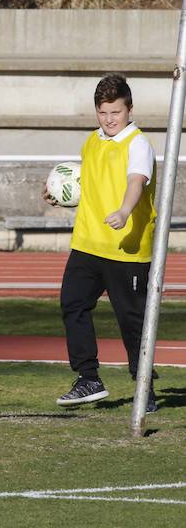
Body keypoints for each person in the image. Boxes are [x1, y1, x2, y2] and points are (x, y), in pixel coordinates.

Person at [44, 73, 157, 412]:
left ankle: (144, 386)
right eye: (103, 112)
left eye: (116, 113)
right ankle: (88, 378)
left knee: (132, 322)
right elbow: (90, 188)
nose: (109, 120)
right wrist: (60, 196)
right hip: (87, 244)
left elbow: (135, 182)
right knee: (72, 304)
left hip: (127, 250)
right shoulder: (91, 142)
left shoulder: (138, 143)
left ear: (130, 110)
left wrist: (124, 211)